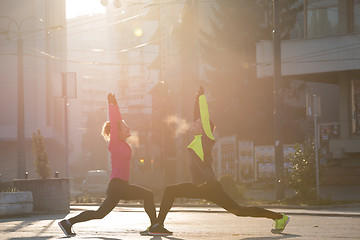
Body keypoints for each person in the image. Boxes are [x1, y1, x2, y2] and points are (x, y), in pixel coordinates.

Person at [148, 86, 290, 236]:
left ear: (203, 128)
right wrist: (196, 98)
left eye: (196, 123)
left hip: (210, 187)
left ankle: (279, 217)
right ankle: (158, 225)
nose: (193, 124)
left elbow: (203, 116)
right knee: (170, 191)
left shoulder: (206, 139)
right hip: (198, 186)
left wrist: (201, 96)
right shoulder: (197, 139)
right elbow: (197, 116)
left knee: (239, 211)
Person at [58, 93, 157, 237]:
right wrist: (111, 105)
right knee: (148, 195)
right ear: (117, 132)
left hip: (118, 186)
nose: (128, 128)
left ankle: (67, 223)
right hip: (119, 185)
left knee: (99, 214)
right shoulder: (115, 143)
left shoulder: (122, 143)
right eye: (125, 127)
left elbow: (119, 121)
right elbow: (116, 122)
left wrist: (116, 105)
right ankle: (154, 225)